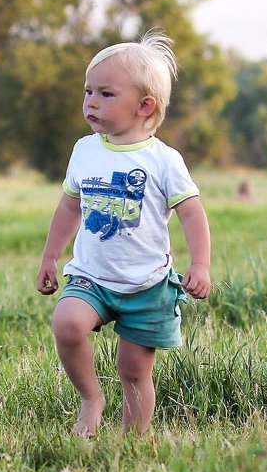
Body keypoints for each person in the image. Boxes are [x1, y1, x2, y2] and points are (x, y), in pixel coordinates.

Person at [36, 30, 211, 437]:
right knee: (67, 323)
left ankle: (132, 443)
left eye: (106, 94)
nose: (91, 102)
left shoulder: (163, 160)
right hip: (92, 277)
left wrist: (200, 263)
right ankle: (91, 398)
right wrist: (50, 256)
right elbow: (69, 206)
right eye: (88, 91)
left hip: (147, 285)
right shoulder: (85, 150)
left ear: (144, 105)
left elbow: (192, 213)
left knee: (133, 371)